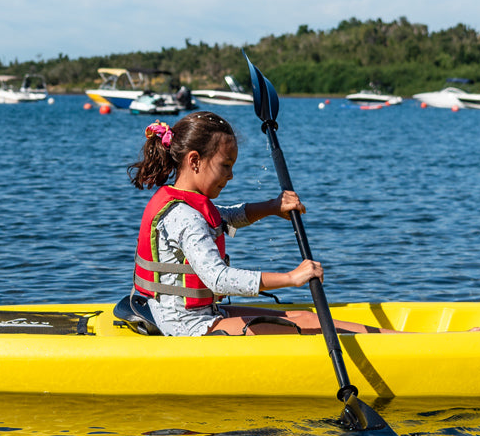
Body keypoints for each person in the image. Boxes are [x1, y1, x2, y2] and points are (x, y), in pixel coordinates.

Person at [127, 111, 383, 336]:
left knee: (298, 316)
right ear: (194, 161)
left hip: (194, 315)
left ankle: (396, 337)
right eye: (225, 166)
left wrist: (273, 207)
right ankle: (400, 343)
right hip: (187, 327)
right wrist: (292, 278)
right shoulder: (185, 216)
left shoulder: (187, 206)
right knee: (307, 320)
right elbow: (218, 279)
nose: (231, 175)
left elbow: (226, 216)